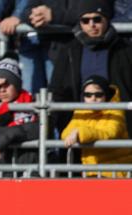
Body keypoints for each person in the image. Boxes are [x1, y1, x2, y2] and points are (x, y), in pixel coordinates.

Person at [48, 0, 132, 132]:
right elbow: (57, 89)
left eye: (97, 19)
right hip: (78, 127)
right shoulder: (69, 51)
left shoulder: (125, 50)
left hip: (118, 126)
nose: (91, 25)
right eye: (85, 20)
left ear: (106, 19)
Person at [61, 74, 132, 177]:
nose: (93, 98)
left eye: (98, 95)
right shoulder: (81, 112)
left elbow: (110, 133)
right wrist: (75, 133)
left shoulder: (115, 110)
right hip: (92, 173)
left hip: (116, 174)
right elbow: (65, 134)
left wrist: (79, 132)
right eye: (88, 95)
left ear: (106, 95)